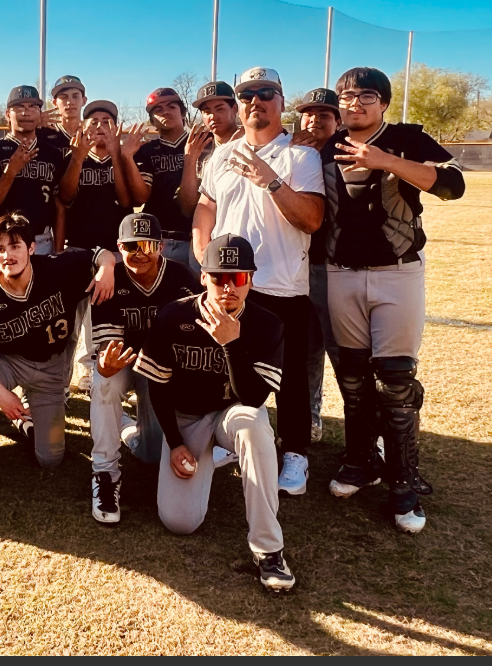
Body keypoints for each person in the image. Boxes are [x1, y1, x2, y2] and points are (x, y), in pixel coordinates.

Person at [321, 67, 465, 533]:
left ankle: (403, 479)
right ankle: (361, 459)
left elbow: (453, 186)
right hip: (341, 274)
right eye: (346, 96)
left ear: (383, 102)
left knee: (396, 378)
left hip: (397, 274)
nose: (355, 104)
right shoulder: (325, 144)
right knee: (352, 377)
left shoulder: (406, 139)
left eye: (366, 96)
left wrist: (386, 160)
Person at [0, 213, 116, 512]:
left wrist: (107, 268)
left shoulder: (56, 267)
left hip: (52, 370)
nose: (7, 255)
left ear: (31, 248)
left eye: (14, 246)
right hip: (10, 362)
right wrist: (2, 393)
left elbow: (99, 254)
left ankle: (22, 422)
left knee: (50, 459)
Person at [192, 67, 325, 497]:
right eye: (248, 94)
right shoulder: (221, 156)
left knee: (288, 379)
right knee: (227, 366)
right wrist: (202, 253)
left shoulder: (300, 156)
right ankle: (233, 443)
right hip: (232, 284)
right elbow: (205, 208)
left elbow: (311, 218)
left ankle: (296, 453)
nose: (256, 101)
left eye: (266, 93)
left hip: (283, 284)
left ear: (281, 102)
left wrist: (270, 179)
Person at [135, 234, 294, 592]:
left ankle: (269, 549)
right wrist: (174, 443)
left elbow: (253, 398)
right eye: (219, 277)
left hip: (231, 414)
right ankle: (207, 456)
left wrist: (230, 344)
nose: (228, 287)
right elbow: (158, 386)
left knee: (255, 425)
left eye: (237, 278)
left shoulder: (267, 324)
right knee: (180, 522)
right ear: (203, 277)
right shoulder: (175, 315)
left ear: (251, 279)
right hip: (186, 418)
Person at [88, 212, 199, 524]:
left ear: (161, 246)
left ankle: (128, 427)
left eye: (148, 244)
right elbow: (110, 353)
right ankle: (105, 474)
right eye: (131, 246)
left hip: (162, 368)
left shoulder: (182, 278)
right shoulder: (109, 280)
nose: (140, 253)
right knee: (104, 382)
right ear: (119, 248)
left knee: (151, 454)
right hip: (126, 361)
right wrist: (106, 367)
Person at [57, 100, 134, 394]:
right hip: (78, 249)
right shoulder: (72, 156)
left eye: (106, 120)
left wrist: (116, 154)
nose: (100, 126)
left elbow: (127, 201)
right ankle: (61, 383)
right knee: (69, 319)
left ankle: (94, 376)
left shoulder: (124, 158)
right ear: (84, 126)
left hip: (113, 253)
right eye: (94, 120)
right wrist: (77, 157)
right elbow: (64, 198)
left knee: (104, 320)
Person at [0, 86, 71, 278]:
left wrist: (59, 251)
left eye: (32, 107)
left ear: (40, 113)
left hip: (41, 240)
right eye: (19, 107)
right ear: (8, 113)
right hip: (1, 243)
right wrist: (11, 171)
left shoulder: (53, 153)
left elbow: (60, 205)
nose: (26, 112)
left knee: (41, 305)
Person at [294, 88, 343, 443]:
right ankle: (311, 416)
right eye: (308, 114)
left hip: (338, 267)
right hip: (300, 265)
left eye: (324, 115)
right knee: (307, 348)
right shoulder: (292, 151)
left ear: (338, 122)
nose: (314, 120)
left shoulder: (348, 151)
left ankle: (368, 428)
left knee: (345, 352)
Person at [121, 87, 198, 271]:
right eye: (158, 109)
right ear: (152, 120)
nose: (165, 112)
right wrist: (128, 158)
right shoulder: (147, 150)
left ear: (183, 112)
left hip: (195, 238)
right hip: (156, 238)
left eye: (171, 106)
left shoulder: (204, 143)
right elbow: (141, 198)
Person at [38, 74, 87, 153]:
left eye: (75, 96)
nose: (70, 102)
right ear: (55, 103)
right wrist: (32, 126)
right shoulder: (43, 133)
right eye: (64, 97)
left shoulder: (92, 134)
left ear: (84, 101)